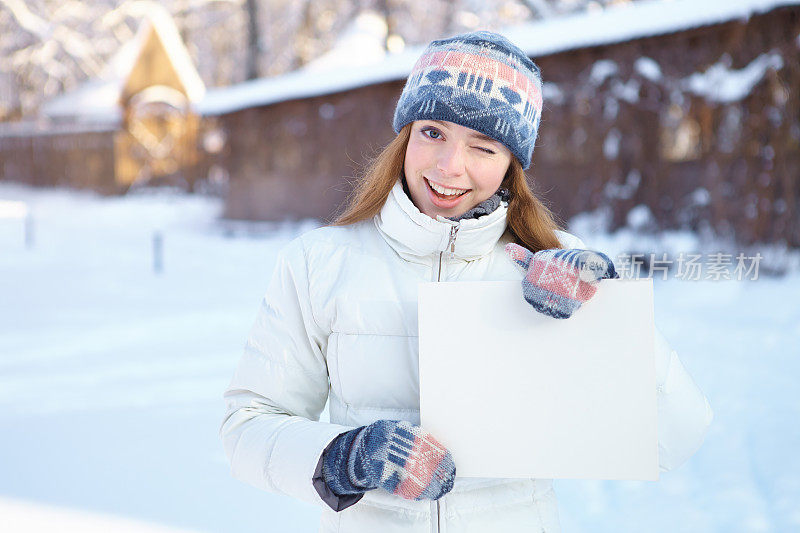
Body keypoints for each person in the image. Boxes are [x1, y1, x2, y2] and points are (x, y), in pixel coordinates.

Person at [220, 31, 713, 532]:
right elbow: (247, 427)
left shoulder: (556, 261)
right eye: (432, 132)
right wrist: (345, 457)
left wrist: (607, 318)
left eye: (483, 147)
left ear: (510, 166)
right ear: (405, 136)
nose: (449, 167)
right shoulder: (318, 263)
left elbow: (677, 436)